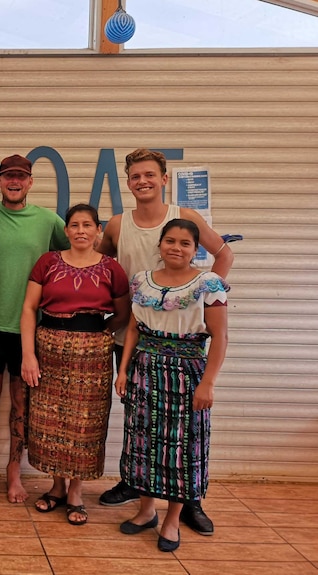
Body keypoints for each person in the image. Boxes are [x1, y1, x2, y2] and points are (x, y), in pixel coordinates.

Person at [97, 148, 234, 536]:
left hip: (184, 345)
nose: (143, 181)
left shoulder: (184, 218)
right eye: (136, 176)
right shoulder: (117, 225)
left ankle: (189, 502)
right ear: (128, 181)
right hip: (134, 338)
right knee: (141, 423)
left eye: (150, 175)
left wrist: (204, 297)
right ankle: (139, 490)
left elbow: (224, 254)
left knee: (185, 431)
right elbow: (101, 266)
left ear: (163, 179)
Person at [116, 218, 229, 552]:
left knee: (181, 448)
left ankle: (171, 520)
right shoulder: (142, 282)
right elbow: (134, 329)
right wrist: (123, 370)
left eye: (184, 243)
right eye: (170, 241)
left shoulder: (208, 284)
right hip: (144, 368)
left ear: (196, 249)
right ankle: (146, 510)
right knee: (143, 441)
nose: (176, 248)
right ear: (160, 245)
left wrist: (208, 383)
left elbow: (220, 336)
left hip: (187, 372)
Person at [20, 203, 130, 526]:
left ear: (98, 231)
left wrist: (100, 333)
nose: (81, 230)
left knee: (85, 424)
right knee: (49, 421)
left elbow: (123, 314)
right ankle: (56, 486)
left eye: (88, 225)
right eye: (75, 225)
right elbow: (29, 308)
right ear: (65, 230)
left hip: (93, 354)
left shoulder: (112, 268)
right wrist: (29, 354)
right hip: (49, 347)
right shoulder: (47, 262)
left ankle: (76, 492)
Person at [0, 154, 69, 504]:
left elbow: (78, 252)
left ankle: (14, 475)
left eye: (21, 177)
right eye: (8, 176)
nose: (14, 182)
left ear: (30, 182)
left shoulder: (47, 220)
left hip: (32, 331)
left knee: (21, 407)